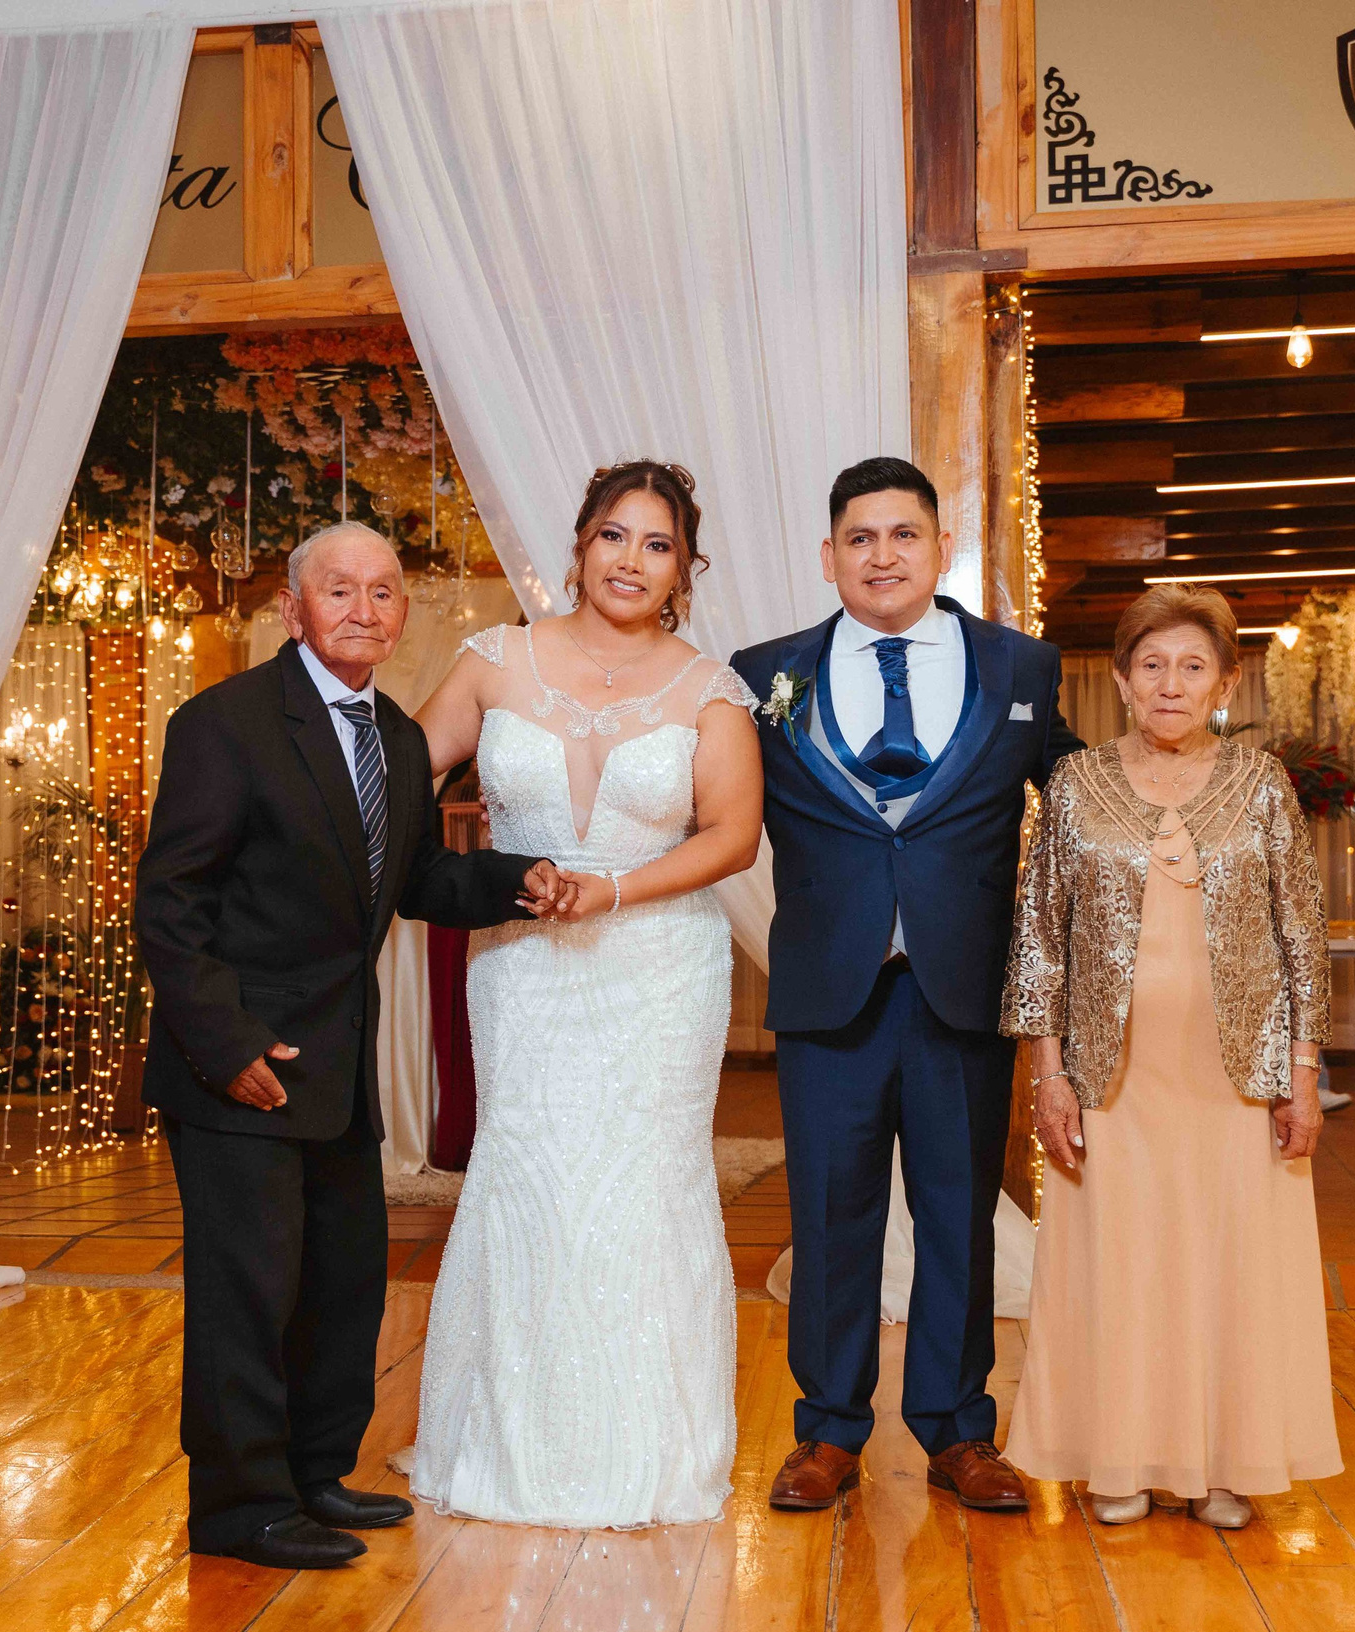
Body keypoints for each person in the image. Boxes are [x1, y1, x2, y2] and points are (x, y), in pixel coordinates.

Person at [134, 522, 570, 1570]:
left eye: (383, 592)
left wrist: (516, 877)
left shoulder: (398, 739)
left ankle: (314, 1474)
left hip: (338, 1064)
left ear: (402, 614)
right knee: (248, 1295)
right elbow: (171, 903)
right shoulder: (224, 724)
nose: (363, 610)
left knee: (342, 1281)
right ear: (294, 609)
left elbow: (417, 878)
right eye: (340, 591)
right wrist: (225, 1044)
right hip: (239, 1067)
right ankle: (240, 1507)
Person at [408, 461, 763, 1528]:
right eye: (614, 536)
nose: (630, 561)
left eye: (657, 545)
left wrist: (609, 888)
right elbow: (387, 780)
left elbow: (732, 837)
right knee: (527, 1173)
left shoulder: (710, 690)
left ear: (684, 570)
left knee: (642, 1184)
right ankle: (504, 1441)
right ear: (578, 545)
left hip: (658, 968)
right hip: (523, 963)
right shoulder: (493, 661)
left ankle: (648, 1449)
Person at [731, 456, 1080, 1517]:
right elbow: (709, 797)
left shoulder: (1020, 666)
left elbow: (1080, 798)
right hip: (827, 990)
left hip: (961, 988)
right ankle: (828, 1431)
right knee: (831, 1215)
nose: (882, 555)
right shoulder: (764, 674)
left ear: (939, 547)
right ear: (828, 555)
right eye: (860, 538)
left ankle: (957, 1427)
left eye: (903, 535)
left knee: (958, 1216)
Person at [1003, 584, 1339, 1529]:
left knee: (1231, 1262)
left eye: (1193, 666)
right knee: (1123, 1262)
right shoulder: (1075, 785)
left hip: (1237, 1078)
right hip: (1112, 1076)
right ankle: (1124, 1456)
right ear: (1120, 678)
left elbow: (1302, 937)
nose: (1170, 683)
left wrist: (1303, 1075)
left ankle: (1227, 1460)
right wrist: (1049, 1074)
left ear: (1224, 684)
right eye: (1151, 665)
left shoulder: (1262, 784)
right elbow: (1039, 941)